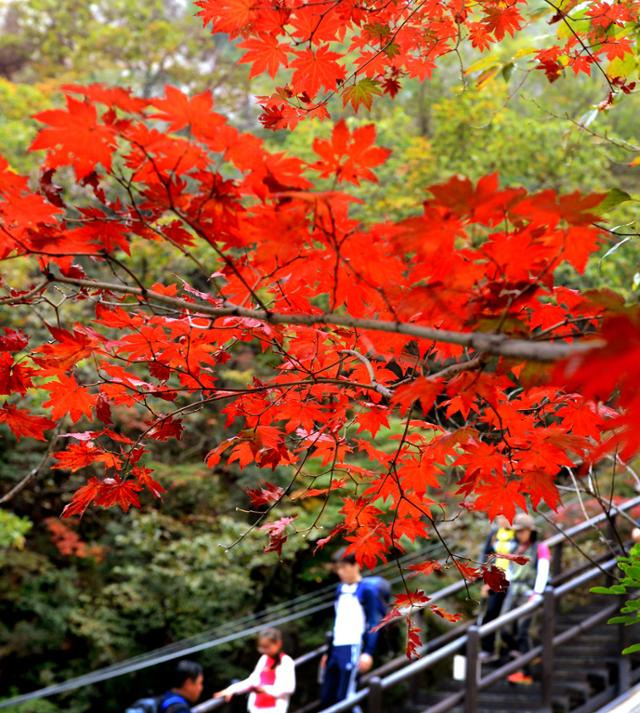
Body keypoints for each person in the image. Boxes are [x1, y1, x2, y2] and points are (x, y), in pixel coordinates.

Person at [319, 550, 384, 708]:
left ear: (356, 566)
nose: (340, 572)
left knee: (346, 698)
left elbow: (375, 622)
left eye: (344, 567)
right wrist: (328, 651)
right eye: (338, 568)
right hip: (336, 646)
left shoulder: (367, 590)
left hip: (353, 646)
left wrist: (368, 652)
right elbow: (338, 620)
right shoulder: (340, 590)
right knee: (327, 696)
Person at [500, 513, 551, 685]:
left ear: (530, 531)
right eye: (518, 531)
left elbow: (543, 571)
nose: (520, 534)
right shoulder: (515, 548)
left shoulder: (540, 548)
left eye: (522, 531)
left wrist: (537, 593)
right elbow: (509, 571)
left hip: (529, 592)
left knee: (523, 631)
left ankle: (527, 672)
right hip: (513, 591)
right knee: (504, 629)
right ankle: (522, 655)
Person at [214, 628, 295, 712]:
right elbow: (252, 681)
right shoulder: (264, 659)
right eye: (262, 648)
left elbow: (289, 688)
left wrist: (264, 689)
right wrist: (231, 689)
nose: (264, 651)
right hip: (257, 708)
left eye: (267, 647)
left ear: (278, 644)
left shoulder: (286, 661)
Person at [478, 515, 515, 662]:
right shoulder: (494, 534)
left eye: (504, 516)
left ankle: (510, 651)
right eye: (499, 517)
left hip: (513, 581)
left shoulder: (519, 534)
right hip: (495, 581)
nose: (501, 520)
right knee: (490, 614)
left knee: (509, 618)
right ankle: (488, 650)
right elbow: (486, 557)